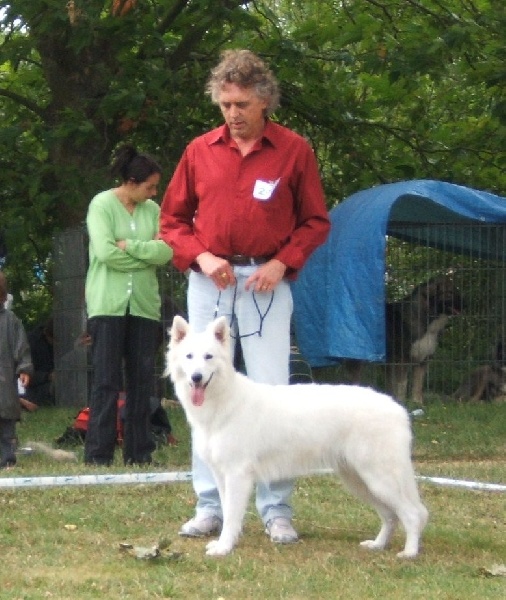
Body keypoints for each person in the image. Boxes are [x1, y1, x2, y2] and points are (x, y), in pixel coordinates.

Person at [159, 49, 330, 544]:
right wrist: (201, 256)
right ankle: (209, 506)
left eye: (241, 104)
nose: (232, 114)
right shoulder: (199, 151)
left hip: (267, 284)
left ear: (264, 101)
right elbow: (172, 221)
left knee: (273, 393)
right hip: (209, 281)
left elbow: (315, 221)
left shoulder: (294, 150)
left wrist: (282, 262)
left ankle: (276, 509)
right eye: (225, 104)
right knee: (200, 393)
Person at [84, 144, 173, 466]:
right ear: (131, 182)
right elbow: (105, 253)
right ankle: (99, 455)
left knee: (142, 381)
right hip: (107, 305)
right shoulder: (102, 205)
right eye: (150, 186)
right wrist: (145, 255)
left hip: (144, 306)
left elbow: (167, 251)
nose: (154, 193)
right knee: (106, 381)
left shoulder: (153, 210)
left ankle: (139, 453)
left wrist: (130, 246)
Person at [0, 271, 33, 469]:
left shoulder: (10, 320)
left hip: (4, 383)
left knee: (6, 426)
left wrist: (24, 368)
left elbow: (22, 347)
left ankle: (7, 459)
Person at [24, 318, 55, 406]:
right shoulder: (30, 343)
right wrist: (48, 376)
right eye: (55, 340)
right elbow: (24, 376)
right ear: (46, 334)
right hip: (35, 389)